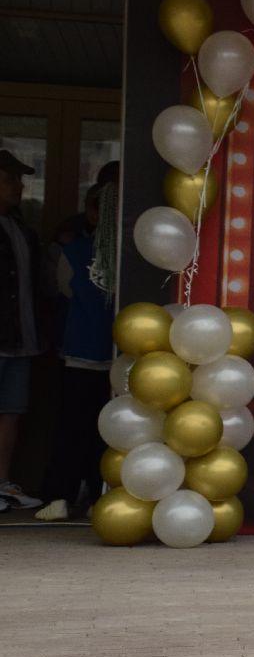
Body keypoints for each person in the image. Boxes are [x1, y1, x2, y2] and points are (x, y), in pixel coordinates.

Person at [37, 180, 119, 521]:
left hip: (96, 355)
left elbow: (61, 293)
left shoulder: (75, 253)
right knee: (96, 429)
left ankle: (70, 495)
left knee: (80, 428)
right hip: (103, 355)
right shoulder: (125, 253)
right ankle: (81, 495)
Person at [0, 148, 46, 513]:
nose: (19, 185)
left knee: (11, 411)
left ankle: (3, 484)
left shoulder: (20, 229)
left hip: (21, 339)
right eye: (11, 179)